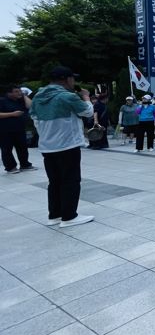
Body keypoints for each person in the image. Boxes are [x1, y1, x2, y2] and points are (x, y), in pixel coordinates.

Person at [29, 66, 94, 227]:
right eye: (73, 78)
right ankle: (69, 216)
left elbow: (34, 118)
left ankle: (55, 215)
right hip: (67, 144)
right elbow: (87, 112)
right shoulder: (67, 96)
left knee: (55, 181)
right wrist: (86, 97)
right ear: (67, 79)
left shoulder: (38, 97)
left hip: (46, 146)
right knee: (70, 180)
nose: (74, 81)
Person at [0, 84, 35, 173]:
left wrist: (24, 96)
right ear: (9, 93)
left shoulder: (21, 100)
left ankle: (25, 164)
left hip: (19, 129)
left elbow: (31, 106)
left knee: (22, 148)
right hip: (5, 130)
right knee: (7, 149)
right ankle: (10, 167)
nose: (19, 93)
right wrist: (12, 114)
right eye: (16, 91)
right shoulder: (2, 101)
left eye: (20, 91)